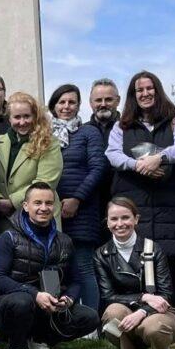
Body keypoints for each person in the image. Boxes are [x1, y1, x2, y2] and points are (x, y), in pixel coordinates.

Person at [106, 71, 175, 313]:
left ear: (158, 90)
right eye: (139, 90)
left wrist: (159, 158)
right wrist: (139, 166)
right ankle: (140, 322)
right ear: (133, 96)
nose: (145, 93)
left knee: (171, 267)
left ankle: (173, 323)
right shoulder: (121, 126)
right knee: (137, 267)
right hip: (135, 201)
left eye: (149, 88)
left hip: (169, 204)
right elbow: (112, 155)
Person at [0, 182, 99, 349]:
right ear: (26, 206)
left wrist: (69, 298)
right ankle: (17, 348)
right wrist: (35, 294)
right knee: (22, 302)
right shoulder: (8, 237)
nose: (43, 208)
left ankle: (39, 341)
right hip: (12, 304)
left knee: (90, 317)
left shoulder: (64, 240)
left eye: (49, 203)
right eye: (37, 203)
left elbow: (76, 280)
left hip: (51, 304)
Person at [94, 196, 175, 349]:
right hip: (126, 311)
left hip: (160, 313)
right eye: (114, 219)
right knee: (112, 313)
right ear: (107, 222)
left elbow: (166, 294)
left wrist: (143, 311)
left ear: (136, 219)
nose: (120, 223)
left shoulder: (153, 248)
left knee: (154, 327)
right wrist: (143, 297)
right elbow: (108, 296)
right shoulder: (101, 254)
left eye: (125, 217)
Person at [51, 83, 112, 315]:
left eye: (72, 102)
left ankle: (89, 320)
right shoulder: (44, 133)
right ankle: (58, 317)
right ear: (54, 105)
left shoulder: (88, 132)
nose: (66, 107)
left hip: (82, 211)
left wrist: (77, 198)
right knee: (55, 266)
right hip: (52, 210)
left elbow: (98, 168)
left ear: (79, 105)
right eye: (62, 102)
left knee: (83, 266)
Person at [0, 91, 62, 219]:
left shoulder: (49, 142)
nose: (22, 122)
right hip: (4, 218)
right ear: (9, 118)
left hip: (39, 216)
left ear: (35, 116)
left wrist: (12, 202)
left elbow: (45, 181)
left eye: (27, 116)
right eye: (17, 117)